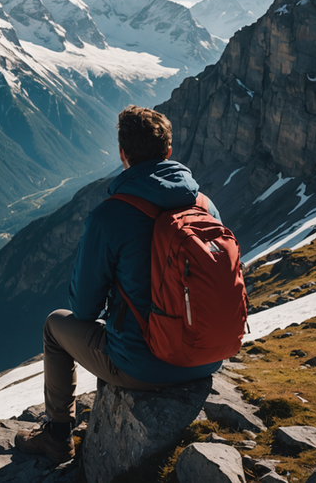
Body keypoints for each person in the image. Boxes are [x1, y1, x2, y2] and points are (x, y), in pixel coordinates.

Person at [15, 105, 223, 464]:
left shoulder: (111, 214)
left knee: (55, 325)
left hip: (143, 366)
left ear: (123, 154)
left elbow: (83, 308)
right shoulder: (205, 205)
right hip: (208, 356)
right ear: (168, 152)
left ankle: (57, 435)